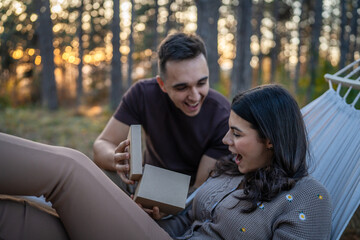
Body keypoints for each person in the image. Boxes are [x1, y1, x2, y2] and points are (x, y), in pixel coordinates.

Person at [0, 84, 332, 239]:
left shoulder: (306, 197)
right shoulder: (233, 172)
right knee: (18, 218)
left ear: (270, 139)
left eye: (235, 133)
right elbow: (188, 219)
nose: (225, 141)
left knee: (70, 168)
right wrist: (151, 216)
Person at [93, 32, 230, 193]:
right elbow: (101, 146)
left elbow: (199, 190)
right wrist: (116, 160)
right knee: (99, 174)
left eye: (202, 83)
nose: (194, 96)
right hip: (145, 182)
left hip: (187, 196)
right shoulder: (142, 94)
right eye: (182, 87)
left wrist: (167, 209)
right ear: (162, 84)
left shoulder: (222, 116)